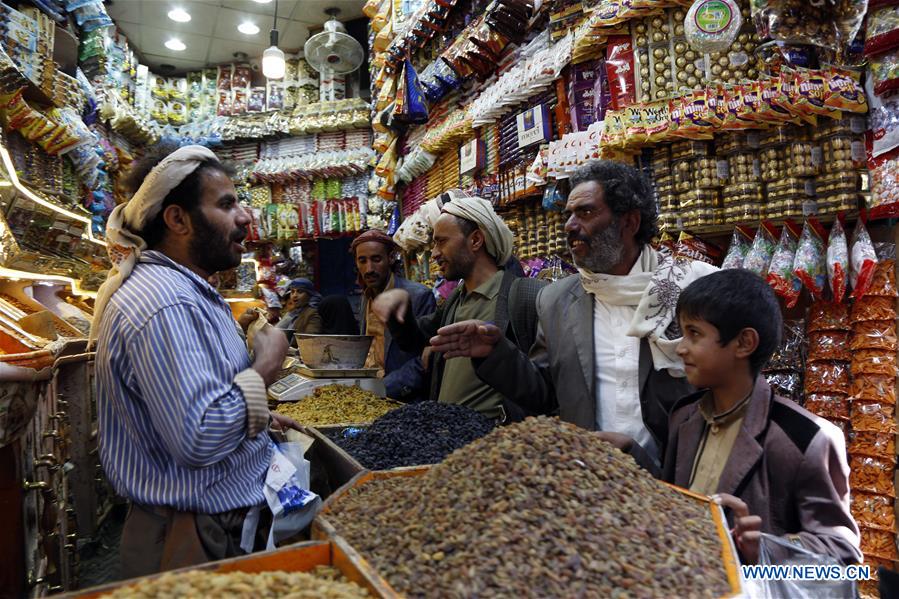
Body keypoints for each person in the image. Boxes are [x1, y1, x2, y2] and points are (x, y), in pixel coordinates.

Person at [91, 144, 295, 576]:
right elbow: (199, 436)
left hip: (211, 525)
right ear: (178, 220)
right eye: (226, 204)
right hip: (192, 537)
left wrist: (257, 422)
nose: (245, 217)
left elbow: (197, 405)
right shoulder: (165, 302)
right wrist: (265, 366)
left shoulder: (190, 291)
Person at [430, 161, 716, 466]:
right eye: (569, 214)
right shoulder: (556, 301)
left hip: (678, 477)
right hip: (587, 477)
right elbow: (545, 394)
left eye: (586, 212)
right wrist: (496, 354)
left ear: (629, 222)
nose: (569, 225)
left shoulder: (689, 288)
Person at [667, 269, 861, 565]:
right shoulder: (684, 417)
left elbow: (842, 555)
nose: (681, 348)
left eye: (694, 333)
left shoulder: (805, 439)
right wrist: (630, 455)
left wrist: (767, 549)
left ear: (744, 343)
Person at [373, 196, 545, 421]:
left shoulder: (525, 297)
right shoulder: (456, 300)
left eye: (441, 241)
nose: (435, 253)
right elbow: (417, 341)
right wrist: (400, 310)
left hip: (498, 437)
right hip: (450, 433)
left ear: (475, 240)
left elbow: (543, 386)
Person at [352, 229, 436, 400]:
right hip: (370, 393)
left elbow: (426, 359)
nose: (369, 269)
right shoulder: (366, 297)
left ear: (390, 258)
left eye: (376, 259)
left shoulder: (418, 295)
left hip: (402, 398)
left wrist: (383, 389)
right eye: (362, 261)